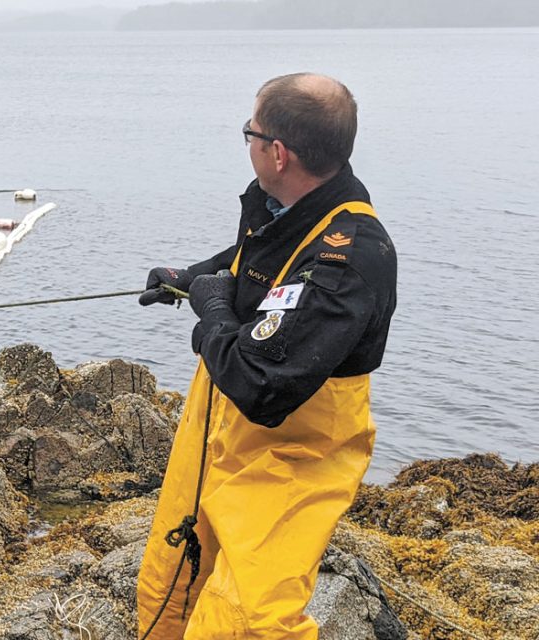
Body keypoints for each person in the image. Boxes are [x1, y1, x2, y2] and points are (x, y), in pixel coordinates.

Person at [135, 73, 398, 639]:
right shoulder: (287, 205)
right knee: (170, 582)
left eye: (250, 132)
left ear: (277, 153)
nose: (248, 142)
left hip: (292, 453)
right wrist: (195, 277)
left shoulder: (351, 259)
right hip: (216, 425)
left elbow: (264, 386)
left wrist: (212, 315)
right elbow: (257, 259)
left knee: (246, 622)